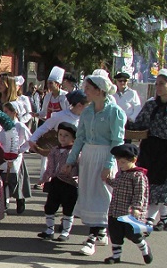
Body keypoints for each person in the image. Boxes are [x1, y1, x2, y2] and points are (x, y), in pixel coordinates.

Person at [62, 69, 125, 257]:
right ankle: (99, 230)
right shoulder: (88, 111)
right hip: (88, 156)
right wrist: (71, 160)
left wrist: (109, 164)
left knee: (103, 195)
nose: (85, 92)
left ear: (99, 90)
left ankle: (92, 238)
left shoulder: (115, 112)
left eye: (88, 88)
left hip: (105, 154)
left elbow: (117, 141)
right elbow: (80, 137)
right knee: (88, 194)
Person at [125, 68, 167, 231]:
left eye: (161, 84)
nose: (158, 87)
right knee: (149, 184)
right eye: (157, 84)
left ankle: (149, 219)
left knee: (163, 187)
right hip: (150, 148)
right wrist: (125, 123)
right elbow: (139, 123)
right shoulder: (151, 105)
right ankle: (163, 218)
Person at [102, 143, 153, 265]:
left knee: (132, 234)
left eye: (123, 162)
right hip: (115, 210)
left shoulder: (138, 175)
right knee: (115, 233)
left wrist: (136, 208)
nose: (120, 164)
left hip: (129, 212)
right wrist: (108, 180)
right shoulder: (121, 174)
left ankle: (144, 248)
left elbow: (140, 193)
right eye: (118, 162)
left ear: (134, 160)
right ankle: (116, 255)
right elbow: (117, 185)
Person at [29, 89, 88, 187]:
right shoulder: (61, 116)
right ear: (79, 105)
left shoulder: (87, 118)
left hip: (81, 154)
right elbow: (44, 127)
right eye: (87, 105)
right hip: (63, 153)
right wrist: (32, 140)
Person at [36, 122, 78, 241]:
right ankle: (49, 230)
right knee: (50, 206)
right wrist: (44, 178)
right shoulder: (54, 150)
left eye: (66, 135)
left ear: (73, 138)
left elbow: (79, 167)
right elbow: (50, 167)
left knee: (68, 208)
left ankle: (65, 232)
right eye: (60, 135)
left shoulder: (74, 152)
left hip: (70, 183)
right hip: (55, 182)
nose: (62, 138)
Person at [36, 66, 70, 181]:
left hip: (62, 130)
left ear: (58, 84)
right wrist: (37, 114)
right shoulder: (48, 96)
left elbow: (68, 112)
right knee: (44, 154)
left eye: (51, 83)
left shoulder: (65, 97)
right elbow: (44, 112)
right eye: (48, 83)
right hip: (50, 129)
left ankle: (58, 175)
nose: (49, 85)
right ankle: (43, 177)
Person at [1, 102, 32, 214]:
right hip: (4, 157)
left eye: (7, 112)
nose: (4, 114)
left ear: (14, 112)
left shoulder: (20, 126)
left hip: (15, 158)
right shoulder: (4, 126)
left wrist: (20, 150)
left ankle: (20, 199)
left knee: (16, 179)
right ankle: (4, 203)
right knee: (4, 179)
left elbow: (31, 140)